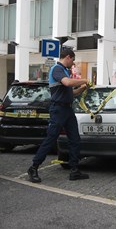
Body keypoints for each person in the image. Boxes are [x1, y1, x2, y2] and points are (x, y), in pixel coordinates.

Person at [27, 48, 90, 182]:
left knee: (75, 140)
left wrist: (83, 88)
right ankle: (34, 167)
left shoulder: (64, 71)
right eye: (72, 60)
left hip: (67, 110)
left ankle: (74, 170)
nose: (73, 63)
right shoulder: (57, 69)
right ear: (68, 57)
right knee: (51, 139)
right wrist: (85, 80)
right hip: (58, 110)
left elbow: (71, 94)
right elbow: (67, 83)